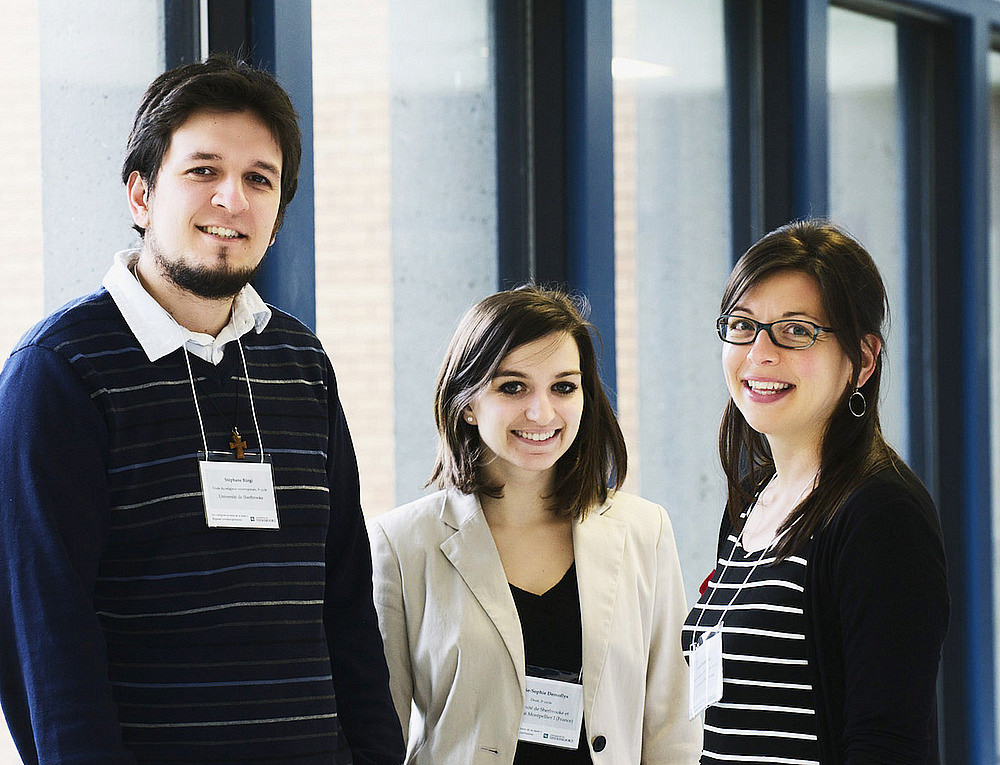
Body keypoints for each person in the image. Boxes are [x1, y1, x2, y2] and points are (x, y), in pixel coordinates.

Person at [0, 55, 404, 764]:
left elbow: (343, 603)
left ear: (278, 215)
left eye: (259, 179)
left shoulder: (300, 363)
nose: (232, 200)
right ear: (140, 195)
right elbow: (47, 637)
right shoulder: (59, 373)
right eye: (203, 171)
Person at [370, 285, 701, 764]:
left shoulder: (644, 532)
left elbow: (672, 726)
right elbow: (381, 733)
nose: (541, 412)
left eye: (563, 386)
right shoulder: (400, 545)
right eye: (512, 387)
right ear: (467, 402)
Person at [682, 220, 949, 764]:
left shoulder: (880, 514)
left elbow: (887, 743)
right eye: (742, 324)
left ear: (863, 360)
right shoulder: (751, 503)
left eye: (797, 330)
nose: (759, 353)